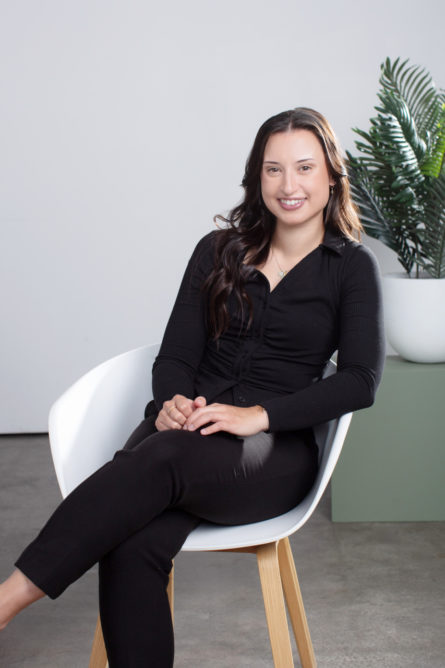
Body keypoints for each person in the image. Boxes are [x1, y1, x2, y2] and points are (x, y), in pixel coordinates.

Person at [0, 107, 385, 666]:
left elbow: (361, 381)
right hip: (184, 432)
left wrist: (258, 416)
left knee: (160, 463)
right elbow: (177, 353)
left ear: (331, 174)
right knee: (134, 540)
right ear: (257, 178)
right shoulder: (216, 250)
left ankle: (9, 599)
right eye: (273, 170)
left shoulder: (351, 267)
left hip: (271, 452)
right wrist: (169, 403)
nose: (289, 185)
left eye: (304, 167)